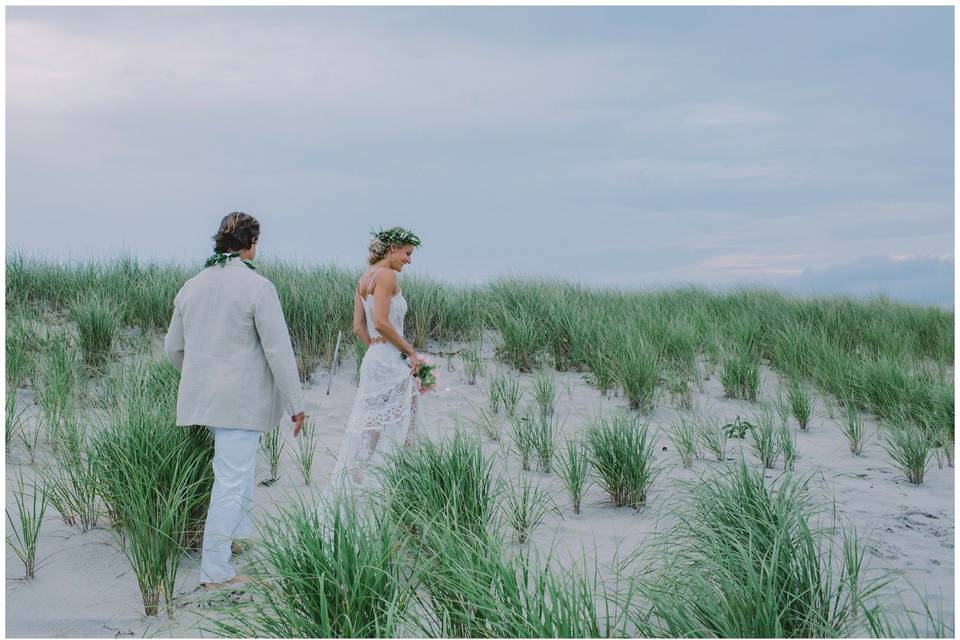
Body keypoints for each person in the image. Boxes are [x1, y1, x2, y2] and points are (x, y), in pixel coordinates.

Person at [164, 211, 305, 591]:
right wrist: (296, 403)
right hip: (240, 402)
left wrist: (200, 378)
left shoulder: (191, 286)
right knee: (231, 480)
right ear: (251, 243)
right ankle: (215, 571)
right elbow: (278, 350)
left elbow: (172, 349)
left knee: (237, 472)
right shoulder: (258, 287)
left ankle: (238, 536)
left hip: (205, 401)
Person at [331, 227, 424, 491]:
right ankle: (396, 481)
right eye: (407, 253)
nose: (409, 260)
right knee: (405, 420)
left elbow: (359, 328)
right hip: (391, 360)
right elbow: (382, 322)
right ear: (393, 248)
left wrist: (374, 347)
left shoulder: (364, 279)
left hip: (374, 359)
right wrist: (410, 352)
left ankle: (364, 472)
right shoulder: (386, 276)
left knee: (373, 422)